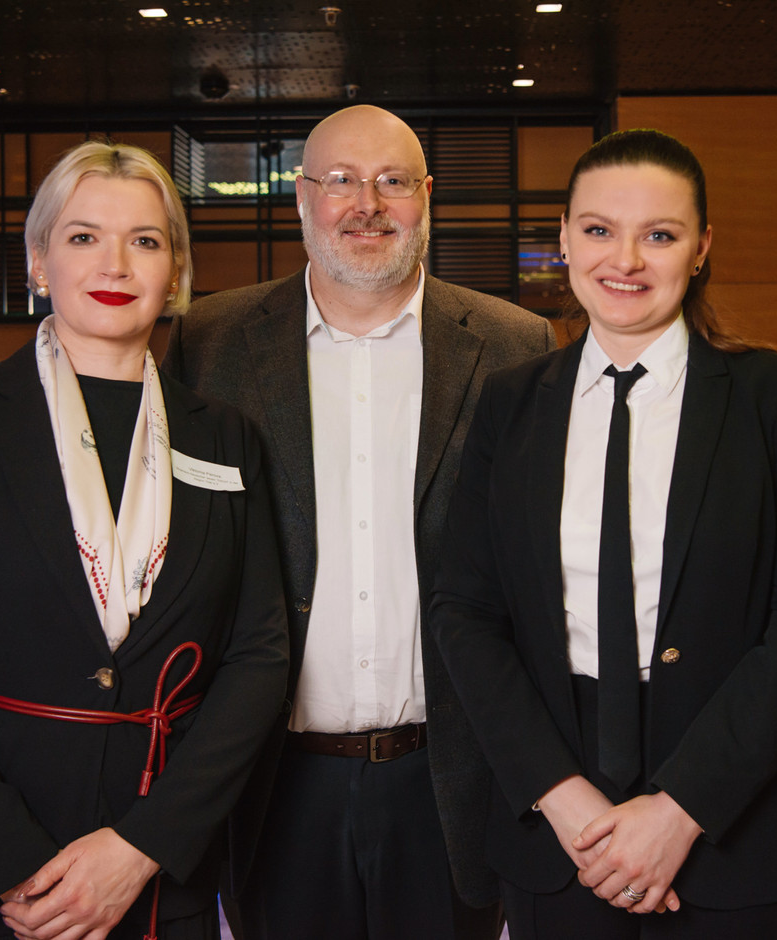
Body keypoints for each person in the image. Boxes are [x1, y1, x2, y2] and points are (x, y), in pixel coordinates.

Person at [429, 129, 777, 940]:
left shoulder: (776, 396)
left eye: (659, 235)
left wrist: (681, 810)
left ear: (700, 248)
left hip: (740, 813)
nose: (624, 259)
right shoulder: (511, 403)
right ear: (563, 240)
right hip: (559, 827)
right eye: (598, 230)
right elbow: (464, 611)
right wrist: (564, 799)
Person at [0, 140, 289, 940]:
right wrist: (8, 861)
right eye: (84, 236)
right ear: (38, 262)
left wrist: (142, 845)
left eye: (146, 241)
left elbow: (259, 657)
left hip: (156, 861)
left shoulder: (227, 438)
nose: (115, 264)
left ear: (178, 272)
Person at [161, 104, 555, 939]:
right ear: (302, 198)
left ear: (427, 197)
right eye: (339, 180)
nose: (365, 202)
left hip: (453, 779)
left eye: (392, 181)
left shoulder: (516, 346)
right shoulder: (209, 343)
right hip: (273, 780)